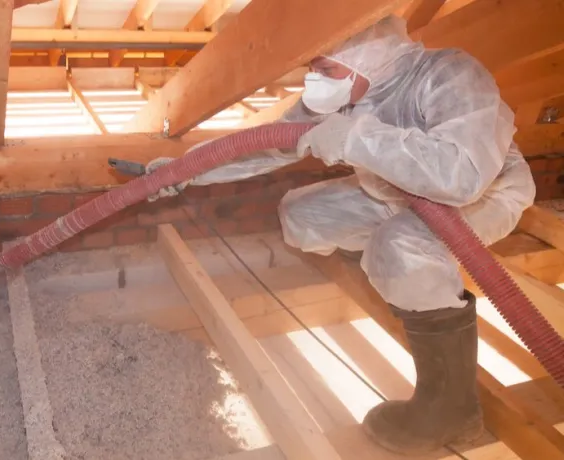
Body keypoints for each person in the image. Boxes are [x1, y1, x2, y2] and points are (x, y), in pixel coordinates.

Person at [146, 14, 535, 455]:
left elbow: (461, 176)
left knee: (400, 246)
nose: (315, 81)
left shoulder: (450, 75)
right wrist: (184, 172)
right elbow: (265, 144)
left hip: (482, 195)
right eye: (312, 68)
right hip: (392, 193)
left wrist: (357, 139)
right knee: (301, 215)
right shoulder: (342, 92)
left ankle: (451, 410)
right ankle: (398, 278)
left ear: (367, 58)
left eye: (325, 69)